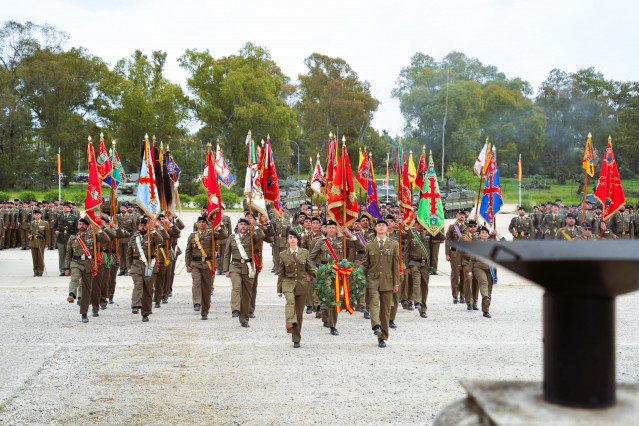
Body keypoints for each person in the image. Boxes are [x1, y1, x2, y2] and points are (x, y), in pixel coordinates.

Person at [308, 220, 364, 336]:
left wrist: (348, 234)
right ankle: (325, 318)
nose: (332, 230)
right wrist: (315, 271)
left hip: (338, 274)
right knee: (325, 299)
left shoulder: (342, 240)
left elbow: (359, 246)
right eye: (330, 228)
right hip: (325, 274)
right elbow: (311, 258)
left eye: (334, 228)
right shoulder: (321, 242)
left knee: (334, 299)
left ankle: (333, 325)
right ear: (326, 229)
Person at [361, 219, 400, 348]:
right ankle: (376, 325)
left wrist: (396, 283)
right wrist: (357, 275)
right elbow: (365, 264)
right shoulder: (369, 245)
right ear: (376, 228)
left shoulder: (394, 245)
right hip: (372, 280)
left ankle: (382, 337)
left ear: (387, 228)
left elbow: (395, 266)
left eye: (384, 225)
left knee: (385, 310)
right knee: (373, 303)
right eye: (379, 225)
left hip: (388, 281)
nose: (382, 227)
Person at [64, 218, 109, 322]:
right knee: (75, 278)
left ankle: (84, 313)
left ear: (87, 226)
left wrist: (99, 230)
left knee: (86, 290)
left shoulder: (93, 235)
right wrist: (67, 267)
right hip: (76, 262)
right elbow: (68, 254)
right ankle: (71, 294)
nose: (81, 226)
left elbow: (106, 240)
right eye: (79, 224)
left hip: (89, 264)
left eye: (83, 224)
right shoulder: (73, 238)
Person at [223, 217, 266, 327]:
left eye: (245, 224)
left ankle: (244, 319)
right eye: (241, 224)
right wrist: (226, 269)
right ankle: (235, 309)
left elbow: (261, 236)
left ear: (248, 226)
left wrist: (255, 225)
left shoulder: (252, 236)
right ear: (237, 226)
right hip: (235, 267)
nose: (243, 226)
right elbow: (227, 254)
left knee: (247, 294)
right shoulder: (232, 238)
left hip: (248, 268)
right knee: (236, 286)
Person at [185, 216, 228, 320]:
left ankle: (205, 311)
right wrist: (188, 265)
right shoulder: (192, 236)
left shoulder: (211, 234)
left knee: (206, 288)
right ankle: (197, 303)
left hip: (207, 264)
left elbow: (224, 235)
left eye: (203, 222)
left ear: (207, 225)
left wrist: (220, 224)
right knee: (196, 282)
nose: (201, 224)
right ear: (196, 224)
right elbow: (188, 251)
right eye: (199, 222)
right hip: (195, 264)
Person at [126, 217, 169, 322]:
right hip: (136, 266)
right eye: (140, 225)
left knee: (148, 290)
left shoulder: (152, 236)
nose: (142, 227)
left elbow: (163, 239)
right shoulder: (134, 238)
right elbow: (129, 255)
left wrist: (153, 229)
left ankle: (145, 312)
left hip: (149, 266)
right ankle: (135, 305)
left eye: (144, 225)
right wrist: (129, 268)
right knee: (138, 284)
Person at [277, 230, 315, 348]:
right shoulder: (283, 254)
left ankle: (296, 338)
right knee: (290, 301)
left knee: (299, 314)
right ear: (288, 241)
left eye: (294, 237)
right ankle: (289, 321)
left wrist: (321, 276)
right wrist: (279, 289)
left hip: (301, 284)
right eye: (290, 238)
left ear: (298, 240)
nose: (292, 239)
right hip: (288, 284)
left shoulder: (305, 253)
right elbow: (281, 273)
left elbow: (310, 269)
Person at [467, 226, 496, 318]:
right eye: (482, 232)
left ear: (488, 235)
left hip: (489, 268)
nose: (484, 234)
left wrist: (497, 234)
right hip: (478, 267)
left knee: (489, 289)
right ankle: (485, 297)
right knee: (483, 282)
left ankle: (486, 310)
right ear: (479, 235)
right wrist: (470, 271)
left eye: (486, 233)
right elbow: (472, 259)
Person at [405, 221, 431, 318]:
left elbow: (441, 238)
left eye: (423, 224)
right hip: (414, 263)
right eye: (419, 224)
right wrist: (407, 266)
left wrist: (434, 226)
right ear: (415, 225)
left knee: (424, 286)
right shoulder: (411, 235)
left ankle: (423, 309)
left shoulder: (428, 234)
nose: (421, 226)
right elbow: (406, 251)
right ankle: (416, 301)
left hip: (425, 264)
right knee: (416, 281)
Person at [445, 210, 466, 304]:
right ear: (457, 216)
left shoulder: (469, 226)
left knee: (464, 275)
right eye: (460, 215)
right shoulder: (452, 227)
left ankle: (463, 295)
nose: (462, 216)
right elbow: (447, 240)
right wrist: (447, 253)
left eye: (463, 215)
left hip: (465, 254)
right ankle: (455, 295)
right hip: (454, 253)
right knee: (455, 274)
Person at [54, 203, 79, 276]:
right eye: (64, 207)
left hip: (70, 238)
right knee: (61, 255)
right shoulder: (59, 216)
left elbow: (76, 229)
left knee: (70, 254)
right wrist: (56, 231)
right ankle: (62, 270)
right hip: (61, 238)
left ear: (70, 209)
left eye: (67, 207)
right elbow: (55, 226)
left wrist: (74, 237)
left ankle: (70, 269)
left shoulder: (74, 217)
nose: (65, 209)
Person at [28, 209, 50, 276]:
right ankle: (35, 271)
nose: (36, 215)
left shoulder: (44, 223)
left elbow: (47, 234)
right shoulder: (31, 223)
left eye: (38, 214)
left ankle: (40, 271)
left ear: (41, 215)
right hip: (33, 242)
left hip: (41, 242)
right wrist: (29, 236)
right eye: (35, 214)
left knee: (40, 257)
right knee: (34, 258)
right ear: (33, 215)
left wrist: (47, 243)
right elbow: (28, 233)